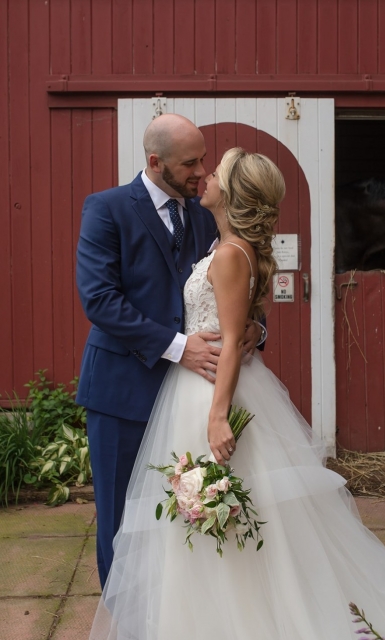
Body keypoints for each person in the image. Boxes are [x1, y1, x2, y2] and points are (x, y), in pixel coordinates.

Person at [79, 148, 385, 640]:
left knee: (223, 519)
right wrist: (241, 334)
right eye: (196, 163)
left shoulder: (228, 250)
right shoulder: (211, 238)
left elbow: (233, 335)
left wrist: (217, 411)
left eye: (214, 169)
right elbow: (180, 310)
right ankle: (196, 637)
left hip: (209, 395)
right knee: (202, 525)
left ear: (231, 193)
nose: (204, 174)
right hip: (179, 386)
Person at [76, 116, 263, 588]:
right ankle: (121, 633)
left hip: (191, 401)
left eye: (204, 159)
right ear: (155, 162)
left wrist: (256, 331)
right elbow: (99, 299)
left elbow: (233, 290)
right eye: (190, 162)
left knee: (192, 516)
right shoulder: (106, 209)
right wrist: (178, 348)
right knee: (120, 519)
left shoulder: (206, 214)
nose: (201, 170)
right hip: (122, 394)